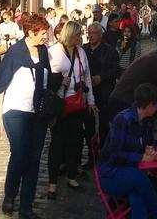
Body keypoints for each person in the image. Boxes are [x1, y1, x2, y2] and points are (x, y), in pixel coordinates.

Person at [0, 14, 51, 219]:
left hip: (38, 113)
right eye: (43, 34)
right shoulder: (15, 53)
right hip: (15, 111)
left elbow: (47, 81)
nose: (45, 37)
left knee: (34, 159)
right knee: (20, 155)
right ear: (31, 32)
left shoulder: (43, 52)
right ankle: (10, 194)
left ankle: (26, 206)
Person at [98, 83, 157, 219]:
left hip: (129, 171)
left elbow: (146, 143)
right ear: (150, 105)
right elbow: (116, 155)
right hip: (111, 174)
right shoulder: (123, 120)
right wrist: (141, 158)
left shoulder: (146, 120)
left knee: (137, 194)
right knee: (141, 179)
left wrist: (149, 149)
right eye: (156, 105)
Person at [47, 21, 96, 198]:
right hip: (60, 104)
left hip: (78, 103)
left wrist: (90, 100)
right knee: (57, 144)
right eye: (77, 35)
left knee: (75, 142)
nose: (80, 38)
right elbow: (45, 80)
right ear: (70, 35)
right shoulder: (53, 52)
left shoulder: (81, 52)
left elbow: (87, 76)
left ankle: (71, 176)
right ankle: (52, 183)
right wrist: (59, 81)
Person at [83, 21, 119, 151]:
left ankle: (104, 151)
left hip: (104, 92)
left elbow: (115, 70)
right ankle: (92, 154)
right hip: (88, 93)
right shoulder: (83, 49)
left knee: (104, 124)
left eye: (94, 33)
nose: (91, 36)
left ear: (100, 34)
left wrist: (101, 77)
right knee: (89, 125)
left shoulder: (110, 50)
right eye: (89, 33)